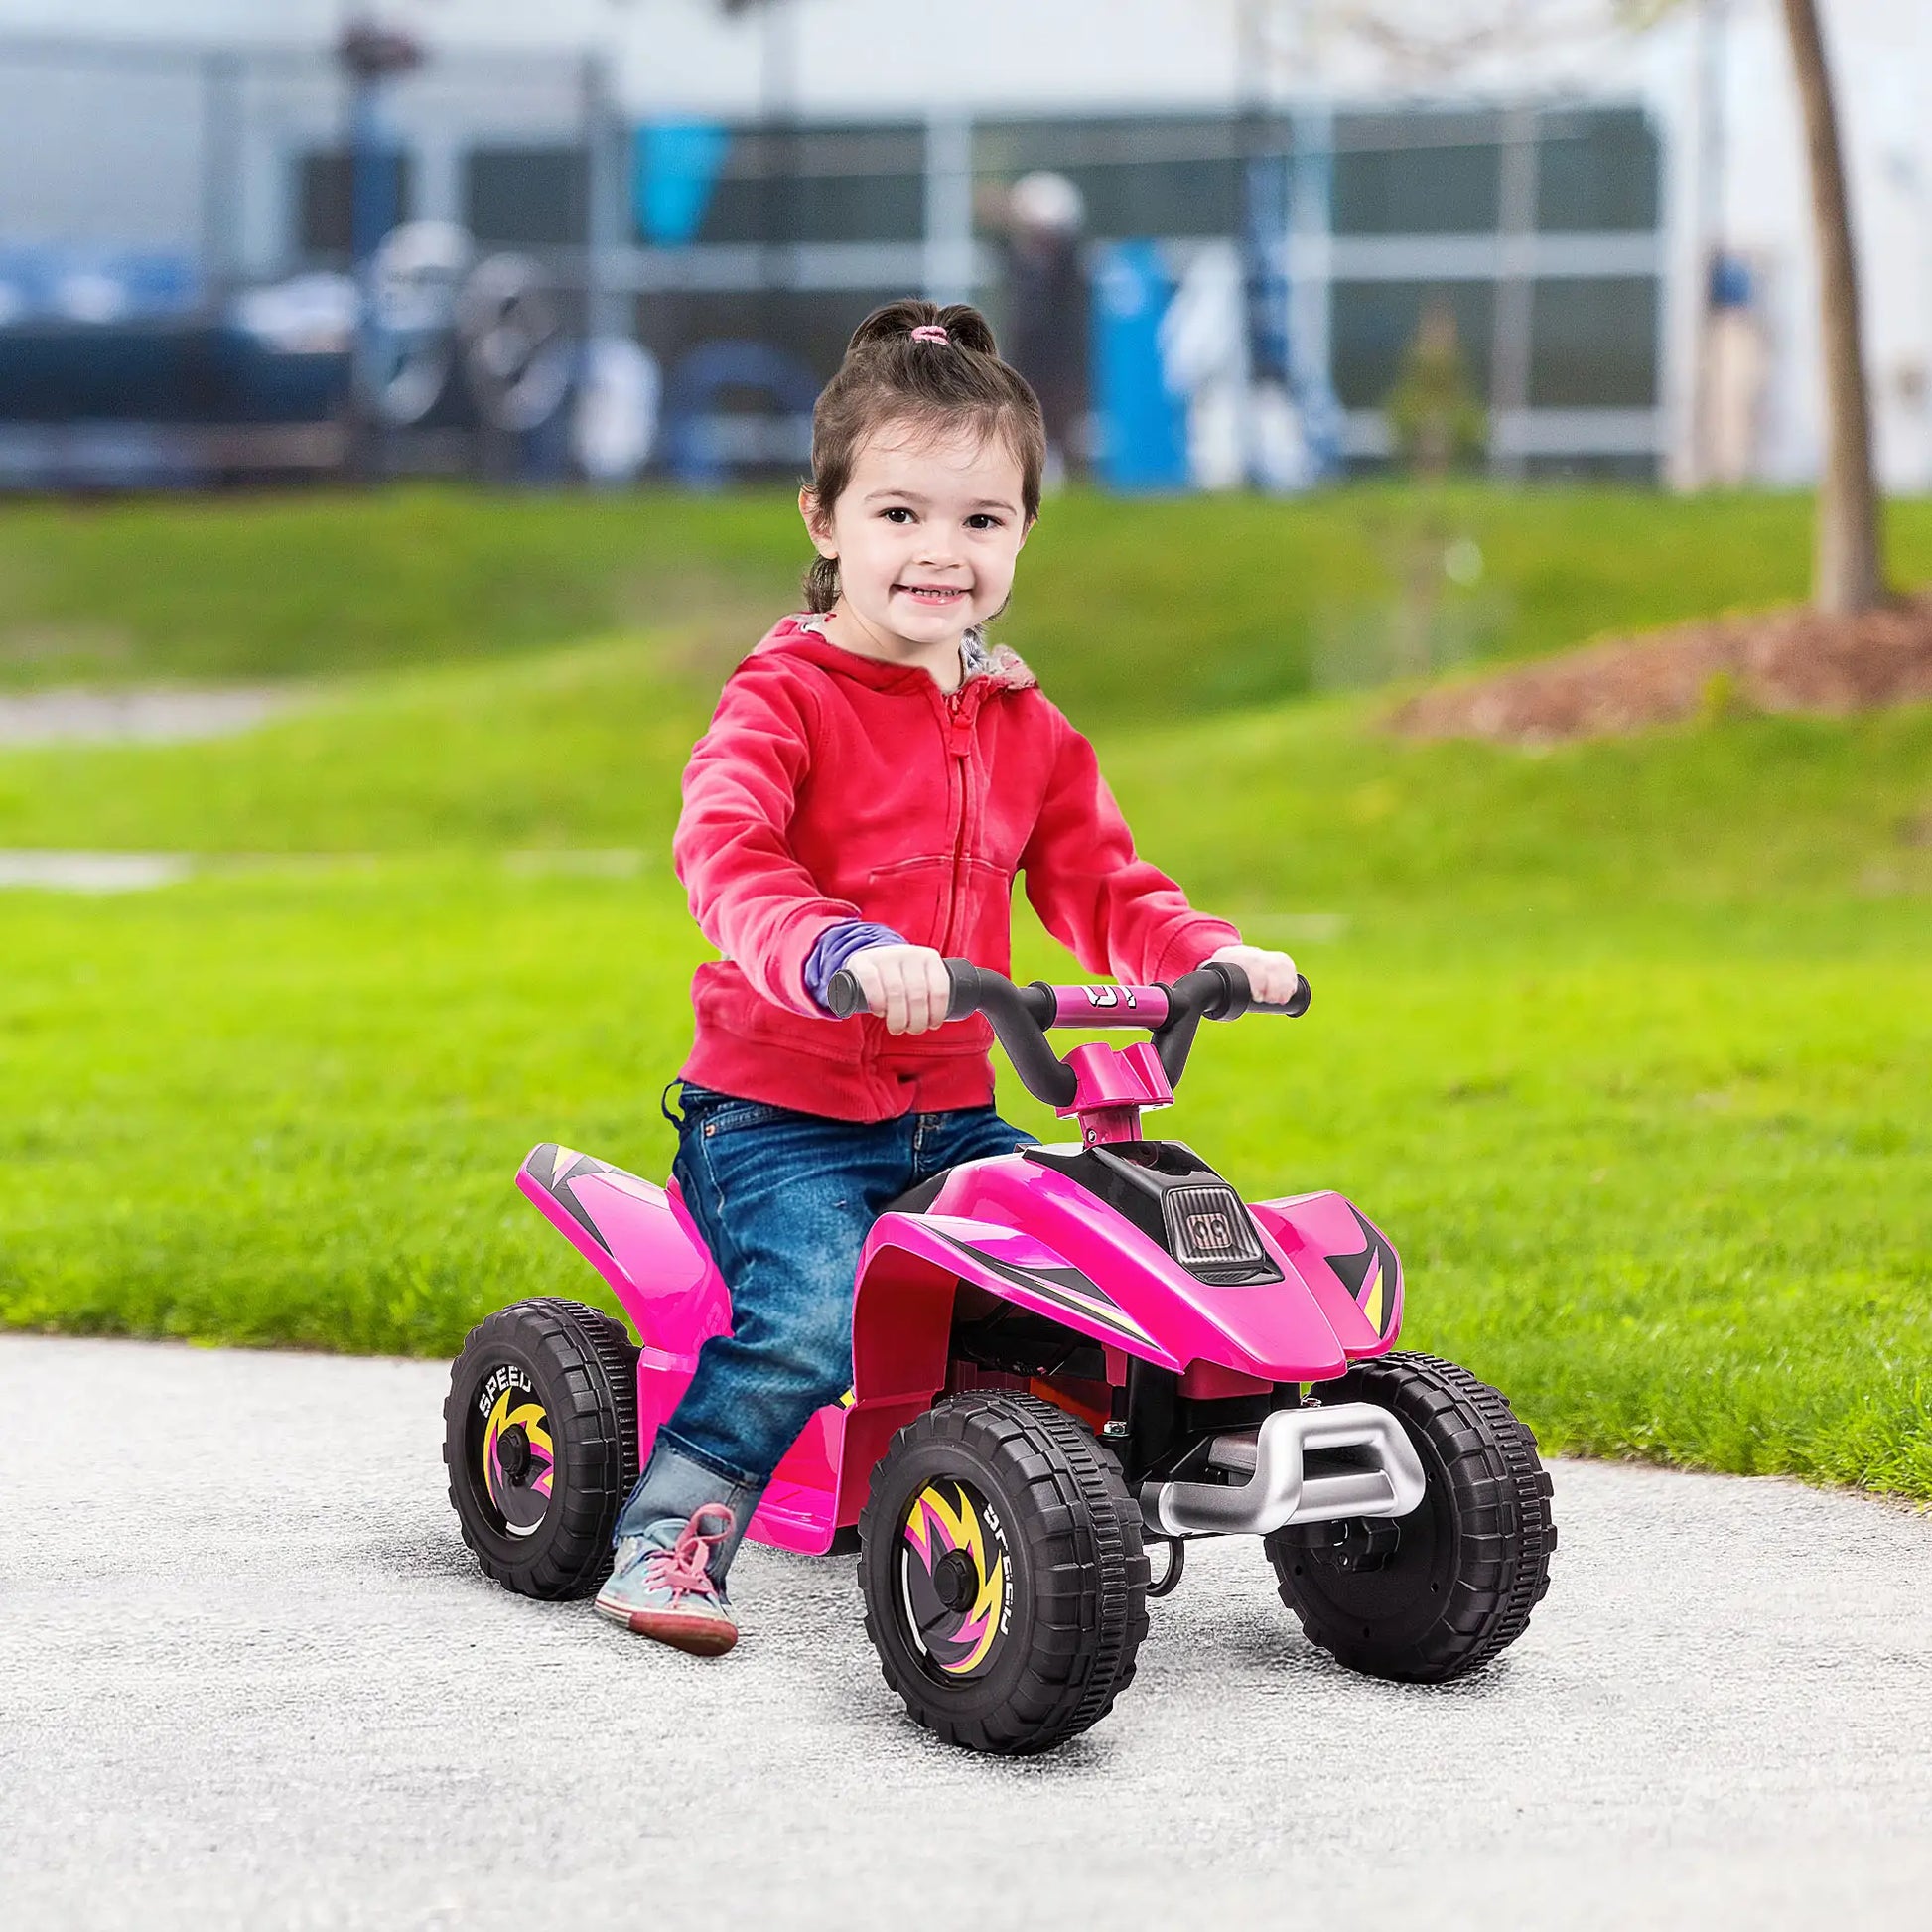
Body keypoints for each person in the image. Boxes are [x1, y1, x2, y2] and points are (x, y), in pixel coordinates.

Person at [595, 296, 1300, 1655]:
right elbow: (725, 852)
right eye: (901, 514)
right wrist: (838, 951)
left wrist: (1202, 956)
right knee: (807, 1318)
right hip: (779, 1119)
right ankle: (667, 1532)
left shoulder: (1022, 720)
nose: (940, 552)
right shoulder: (780, 700)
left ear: (1024, 531)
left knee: (1075, 1273)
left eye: (980, 521)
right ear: (824, 521)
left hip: (950, 1109)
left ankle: (1058, 1488)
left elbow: (1099, 883)